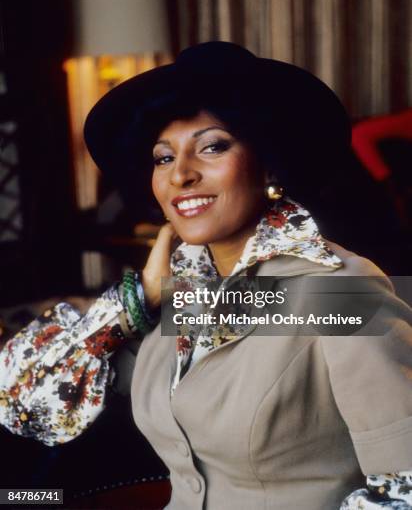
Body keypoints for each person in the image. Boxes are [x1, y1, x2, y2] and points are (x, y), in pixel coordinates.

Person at [0, 42, 411, 509]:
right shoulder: (181, 296)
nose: (181, 175)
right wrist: (137, 298)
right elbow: (21, 400)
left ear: (269, 165)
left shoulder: (339, 292)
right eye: (163, 157)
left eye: (213, 146)